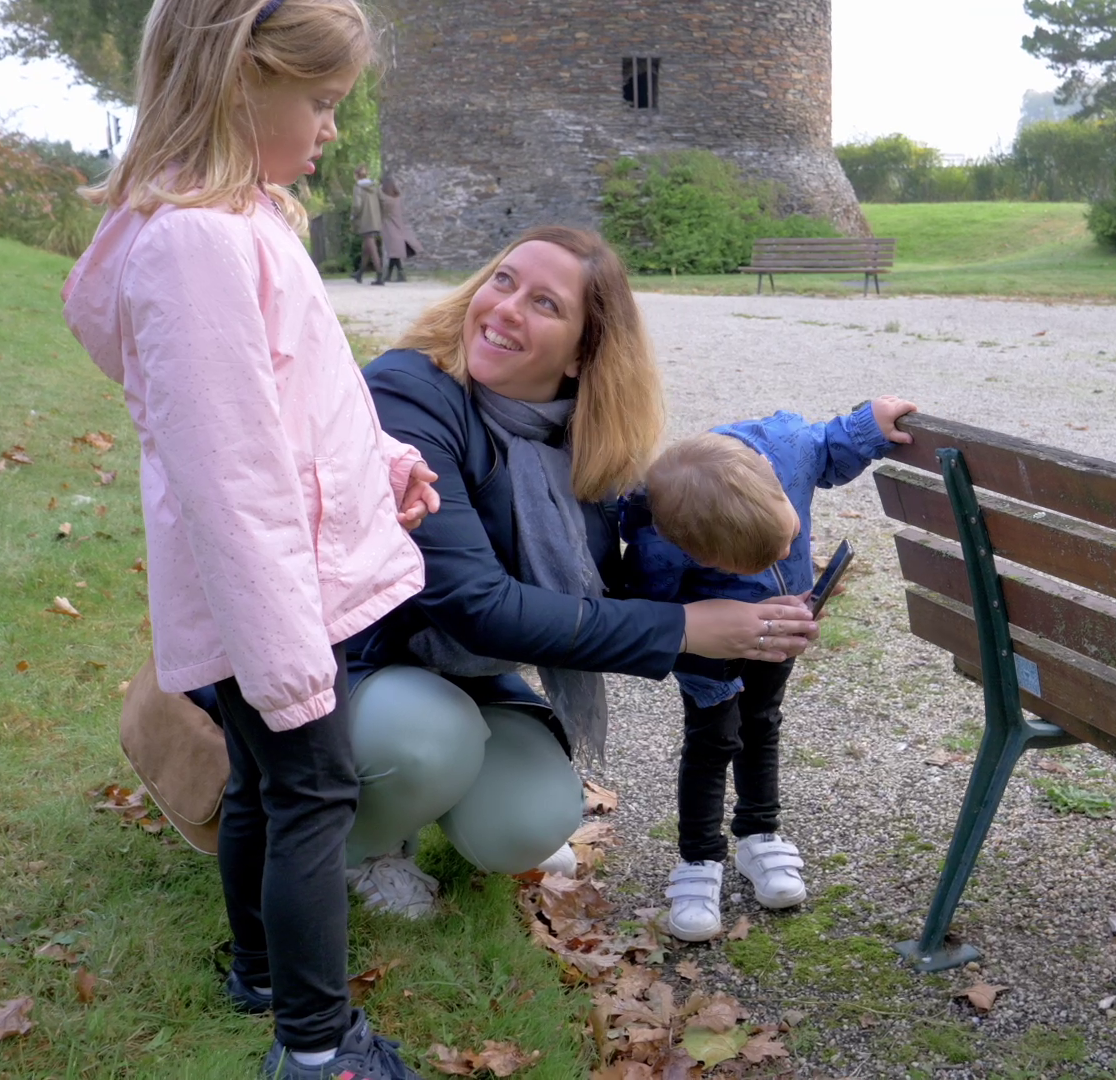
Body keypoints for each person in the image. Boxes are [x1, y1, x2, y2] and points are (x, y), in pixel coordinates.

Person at [60, 0, 440, 1076]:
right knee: (312, 793)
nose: (330, 128)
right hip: (270, 599)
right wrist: (289, 666)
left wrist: (383, 463)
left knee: (270, 787)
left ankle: (263, 972)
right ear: (239, 81)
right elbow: (232, 477)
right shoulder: (195, 247)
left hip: (275, 584)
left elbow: (305, 397)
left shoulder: (246, 220)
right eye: (319, 102)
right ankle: (316, 1049)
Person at [339, 225, 822, 918]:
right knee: (426, 746)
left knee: (532, 821)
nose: (506, 308)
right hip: (355, 662)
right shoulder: (408, 395)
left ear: (581, 354)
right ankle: (358, 848)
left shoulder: (580, 439)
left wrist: (745, 596)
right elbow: (476, 606)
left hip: (459, 677)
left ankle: (418, 791)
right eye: (504, 281)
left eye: (545, 303)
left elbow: (611, 592)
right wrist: (685, 627)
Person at [618, 398, 917, 941]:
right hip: (708, 649)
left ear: (776, 486)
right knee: (713, 742)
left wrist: (868, 426)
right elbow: (650, 610)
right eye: (757, 560)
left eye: (788, 538)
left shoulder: (787, 450)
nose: (786, 553)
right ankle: (699, 856)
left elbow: (828, 446)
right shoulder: (660, 539)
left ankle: (759, 832)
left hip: (780, 632)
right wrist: (695, 644)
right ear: (696, 553)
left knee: (761, 724)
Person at [378, 175, 419, 282]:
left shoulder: (386, 200)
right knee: (394, 253)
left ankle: (399, 275)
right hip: (398, 227)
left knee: (393, 253)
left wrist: (378, 188)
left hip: (390, 228)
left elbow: (379, 198)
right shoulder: (397, 198)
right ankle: (390, 275)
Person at [350, 164, 384, 285]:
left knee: (371, 247)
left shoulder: (358, 188)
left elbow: (357, 205)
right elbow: (382, 200)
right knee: (367, 247)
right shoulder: (375, 187)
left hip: (365, 219)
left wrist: (353, 216)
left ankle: (380, 273)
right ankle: (360, 272)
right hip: (375, 219)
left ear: (356, 175)